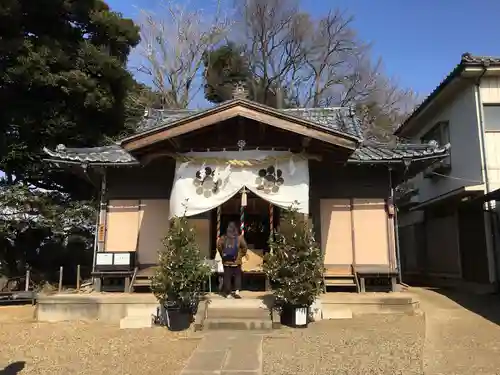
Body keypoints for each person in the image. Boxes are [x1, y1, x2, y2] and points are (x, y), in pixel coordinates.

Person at [216, 221, 248, 299]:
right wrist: (240, 255)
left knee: (227, 277)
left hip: (226, 261)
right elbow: (245, 247)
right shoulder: (239, 237)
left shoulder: (223, 237)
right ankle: (237, 291)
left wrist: (222, 254)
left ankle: (228, 293)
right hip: (236, 261)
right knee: (237, 275)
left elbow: (219, 246)